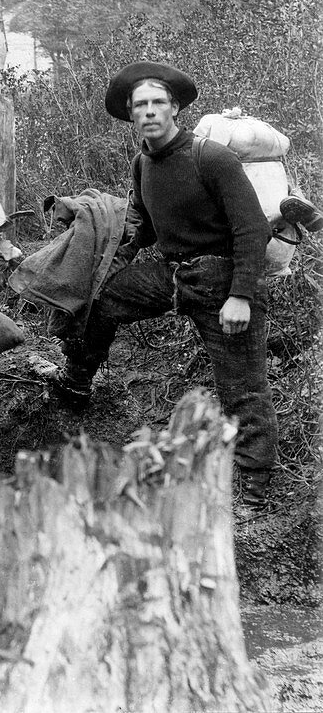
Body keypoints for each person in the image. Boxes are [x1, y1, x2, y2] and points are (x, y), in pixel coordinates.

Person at [52, 62, 277, 510]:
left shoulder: (211, 158)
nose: (149, 112)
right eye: (141, 106)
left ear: (174, 108)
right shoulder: (143, 163)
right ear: (131, 115)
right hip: (173, 275)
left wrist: (240, 296)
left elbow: (252, 230)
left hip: (221, 280)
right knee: (104, 299)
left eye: (158, 103)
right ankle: (77, 380)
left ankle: (254, 483)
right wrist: (107, 265)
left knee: (242, 386)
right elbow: (146, 229)